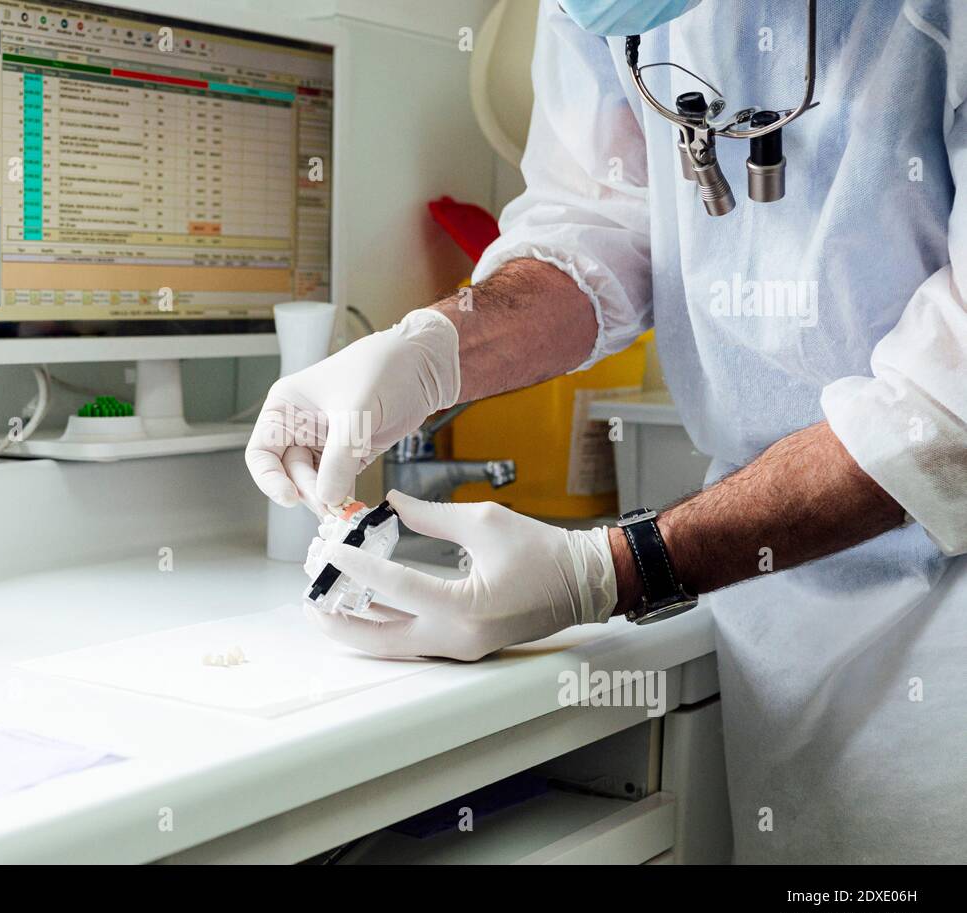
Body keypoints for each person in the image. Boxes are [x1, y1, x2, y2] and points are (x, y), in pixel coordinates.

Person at [245, 1, 967, 864]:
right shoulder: (613, 10)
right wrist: (434, 347)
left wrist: (612, 571)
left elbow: (944, 407)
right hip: (772, 594)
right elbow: (598, 226)